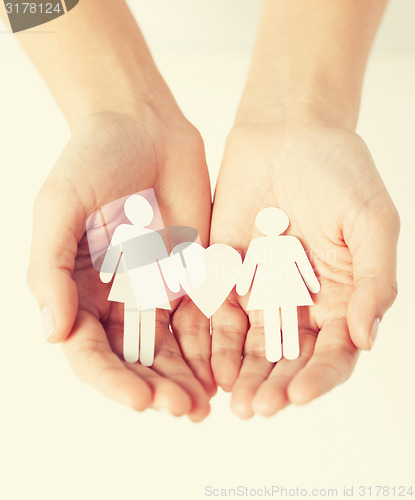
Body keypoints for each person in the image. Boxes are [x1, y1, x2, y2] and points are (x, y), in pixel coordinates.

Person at [8, 0, 398, 420]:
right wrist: (116, 106)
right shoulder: (132, 235)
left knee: (258, 321)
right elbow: (120, 260)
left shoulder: (135, 234)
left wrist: (303, 108)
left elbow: (133, 261)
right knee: (147, 321)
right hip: (85, 41)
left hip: (342, 40)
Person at [236, 208, 320, 363]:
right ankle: (282, 349)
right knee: (281, 316)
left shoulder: (263, 243)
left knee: (276, 316)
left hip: (272, 284)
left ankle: (286, 349)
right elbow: (250, 266)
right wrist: (313, 284)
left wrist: (242, 286)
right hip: (283, 284)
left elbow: (303, 263)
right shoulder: (285, 242)